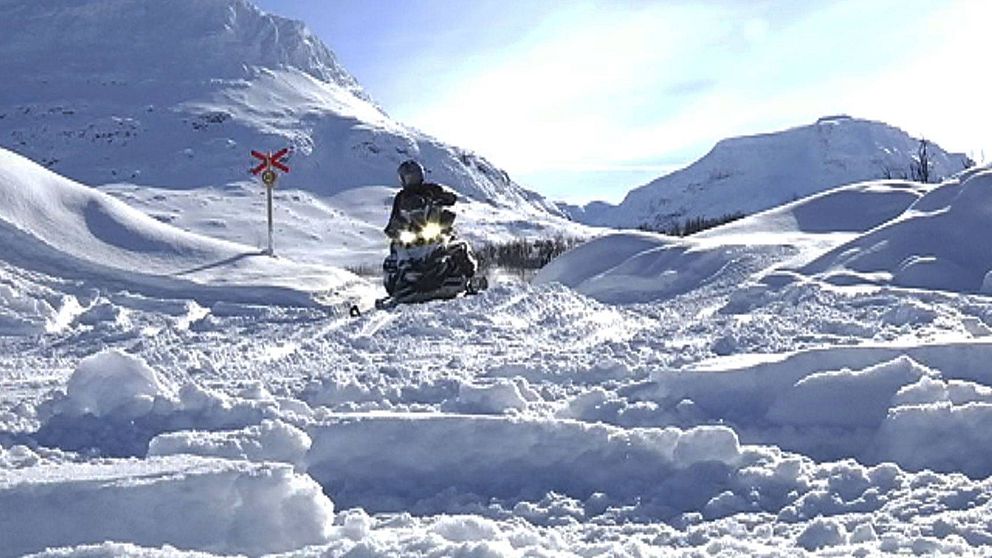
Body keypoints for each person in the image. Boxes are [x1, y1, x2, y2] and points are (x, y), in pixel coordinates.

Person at [382, 160, 476, 297]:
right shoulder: (400, 197)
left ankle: (469, 278)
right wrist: (392, 230)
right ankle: (397, 286)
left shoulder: (431, 189)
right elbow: (394, 218)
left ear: (420, 176)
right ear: (402, 179)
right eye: (407, 177)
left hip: (431, 228)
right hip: (411, 234)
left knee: (457, 246)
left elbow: (449, 197)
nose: (410, 180)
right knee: (393, 256)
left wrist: (446, 198)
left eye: (413, 176)